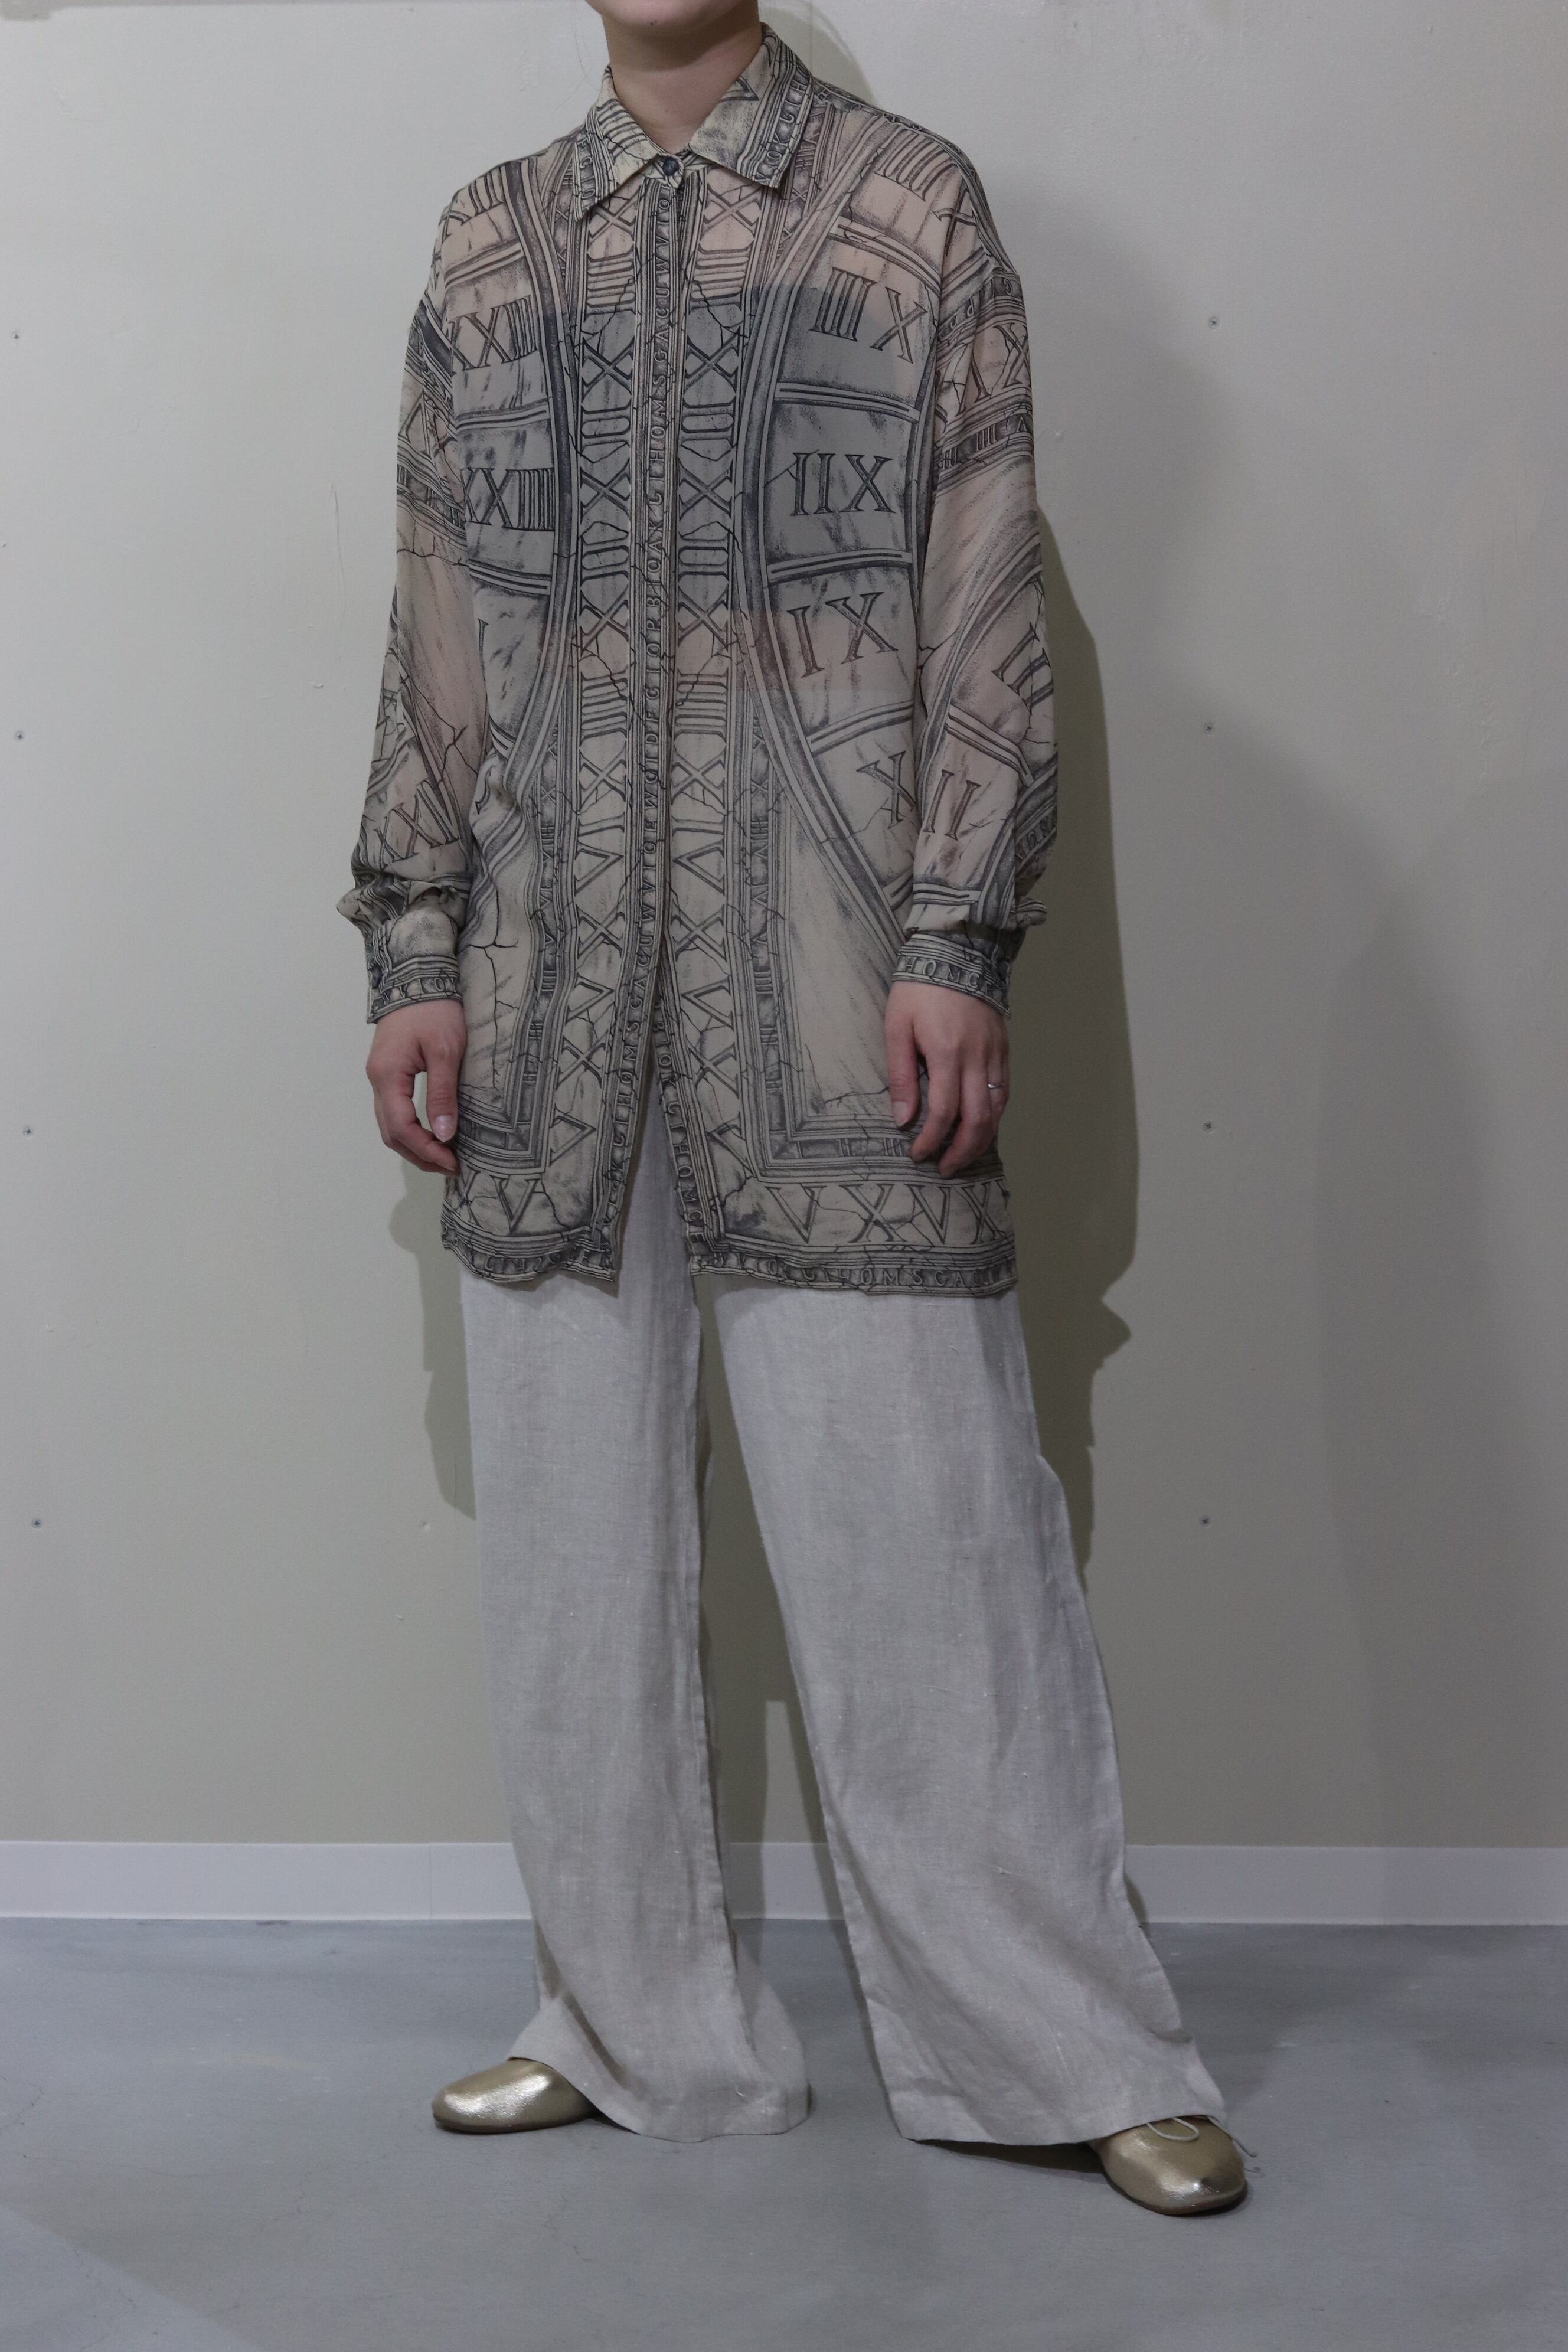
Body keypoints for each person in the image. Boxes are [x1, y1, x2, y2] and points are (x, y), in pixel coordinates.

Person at [339, 0, 1246, 2217]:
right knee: (570, 1551)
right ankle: (628, 2019)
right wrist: (414, 942)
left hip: (837, 991)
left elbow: (984, 580)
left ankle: (1061, 2043)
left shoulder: (907, 205)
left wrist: (955, 930)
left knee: (923, 1521)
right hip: (546, 990)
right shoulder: (486, 241)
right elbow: (437, 610)